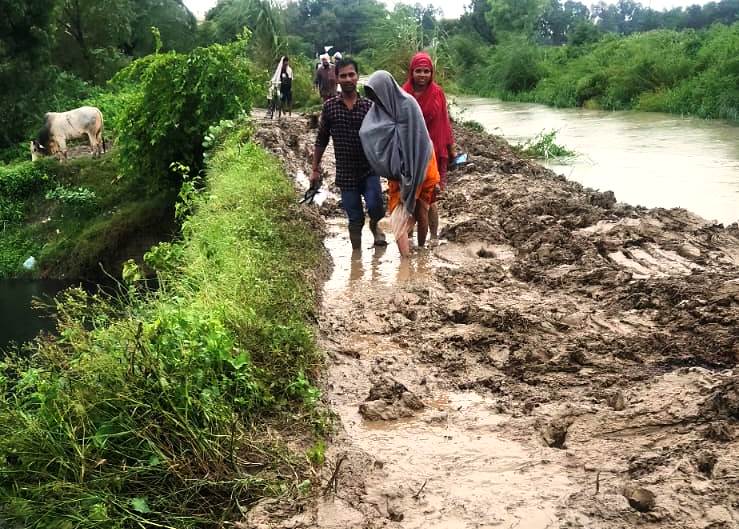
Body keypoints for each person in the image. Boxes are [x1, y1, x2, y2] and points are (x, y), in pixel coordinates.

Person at [359, 70, 440, 257]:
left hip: (422, 165)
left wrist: (412, 171)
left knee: (421, 210)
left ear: (387, 89)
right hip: (397, 171)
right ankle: (406, 257)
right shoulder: (377, 112)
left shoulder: (408, 105)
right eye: (371, 95)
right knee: (398, 213)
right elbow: (368, 133)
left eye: (376, 93)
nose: (375, 99)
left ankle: (421, 250)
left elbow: (420, 138)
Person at [312, 58, 386, 250]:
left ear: (358, 77)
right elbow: (321, 139)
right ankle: (357, 259)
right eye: (343, 75)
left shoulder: (369, 107)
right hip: (346, 174)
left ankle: (375, 225)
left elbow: (383, 136)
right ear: (336, 79)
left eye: (351, 74)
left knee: (376, 207)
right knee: (354, 218)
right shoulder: (330, 107)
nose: (347, 79)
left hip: (369, 170)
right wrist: (315, 169)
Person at [402, 52, 455, 240]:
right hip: (410, 153)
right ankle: (407, 238)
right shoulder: (403, 93)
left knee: (430, 199)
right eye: (418, 71)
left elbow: (444, 121)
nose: (422, 75)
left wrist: (450, 147)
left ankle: (432, 237)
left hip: (433, 150)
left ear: (431, 73)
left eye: (426, 71)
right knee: (408, 198)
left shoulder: (437, 92)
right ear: (412, 72)